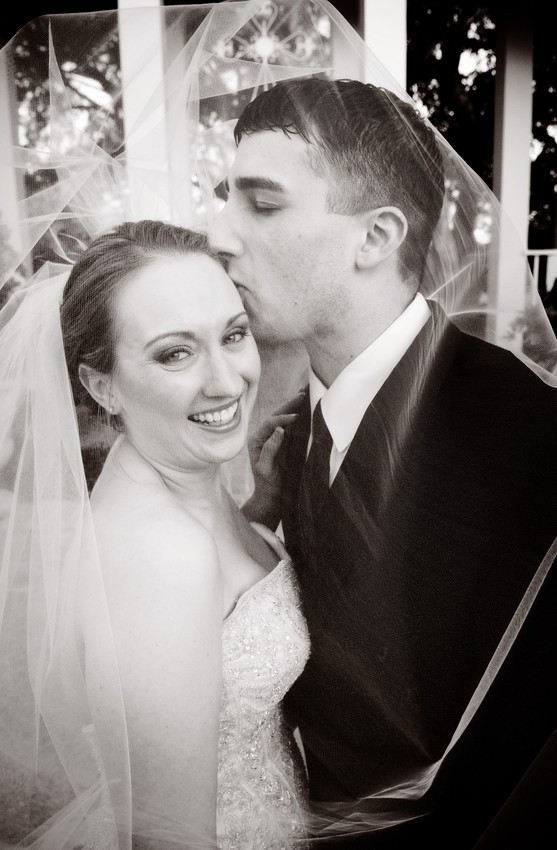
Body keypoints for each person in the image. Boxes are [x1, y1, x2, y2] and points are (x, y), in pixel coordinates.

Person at [209, 76, 557, 848]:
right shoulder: (288, 432)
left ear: (374, 237)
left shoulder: (530, 443)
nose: (220, 235)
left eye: (261, 204)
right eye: (224, 199)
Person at [0, 219, 311, 849]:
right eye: (175, 353)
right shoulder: (159, 556)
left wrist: (258, 517)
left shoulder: (184, 480)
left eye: (233, 335)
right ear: (101, 385)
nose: (226, 382)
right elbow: (167, 837)